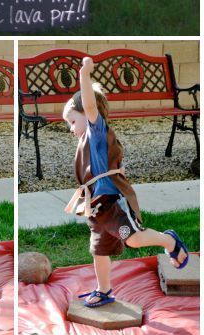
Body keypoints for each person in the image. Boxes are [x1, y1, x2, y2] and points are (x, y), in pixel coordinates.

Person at [63, 57, 189, 307]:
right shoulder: (85, 141)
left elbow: (88, 105)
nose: (70, 128)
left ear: (88, 116)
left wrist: (84, 75)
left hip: (114, 205)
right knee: (98, 250)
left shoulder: (97, 133)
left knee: (132, 238)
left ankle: (169, 241)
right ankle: (104, 289)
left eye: (72, 121)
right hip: (97, 209)